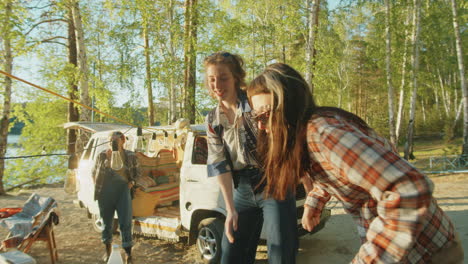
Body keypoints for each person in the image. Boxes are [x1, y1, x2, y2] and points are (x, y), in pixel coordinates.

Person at [246, 63, 464, 264]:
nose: (261, 126)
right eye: (256, 117)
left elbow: (408, 189)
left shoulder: (324, 135)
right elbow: (339, 170)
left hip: (423, 250)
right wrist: (315, 202)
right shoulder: (310, 133)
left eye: (266, 115)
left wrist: (367, 259)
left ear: (291, 106)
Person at [205, 52, 298, 264]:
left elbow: (285, 134)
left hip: (274, 182)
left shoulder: (254, 101)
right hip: (243, 189)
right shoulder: (212, 119)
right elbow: (219, 165)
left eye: (223, 77)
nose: (217, 84)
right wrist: (229, 210)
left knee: (280, 253)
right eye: (212, 79)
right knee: (230, 254)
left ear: (237, 77)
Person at [92, 131, 140, 264]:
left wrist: (132, 183)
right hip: (105, 192)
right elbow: (94, 172)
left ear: (123, 141)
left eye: (115, 140)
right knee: (107, 223)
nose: (112, 142)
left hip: (123, 191)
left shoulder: (130, 155)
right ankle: (107, 251)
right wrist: (97, 185)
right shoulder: (102, 155)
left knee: (125, 222)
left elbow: (137, 174)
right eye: (110, 140)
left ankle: (128, 254)